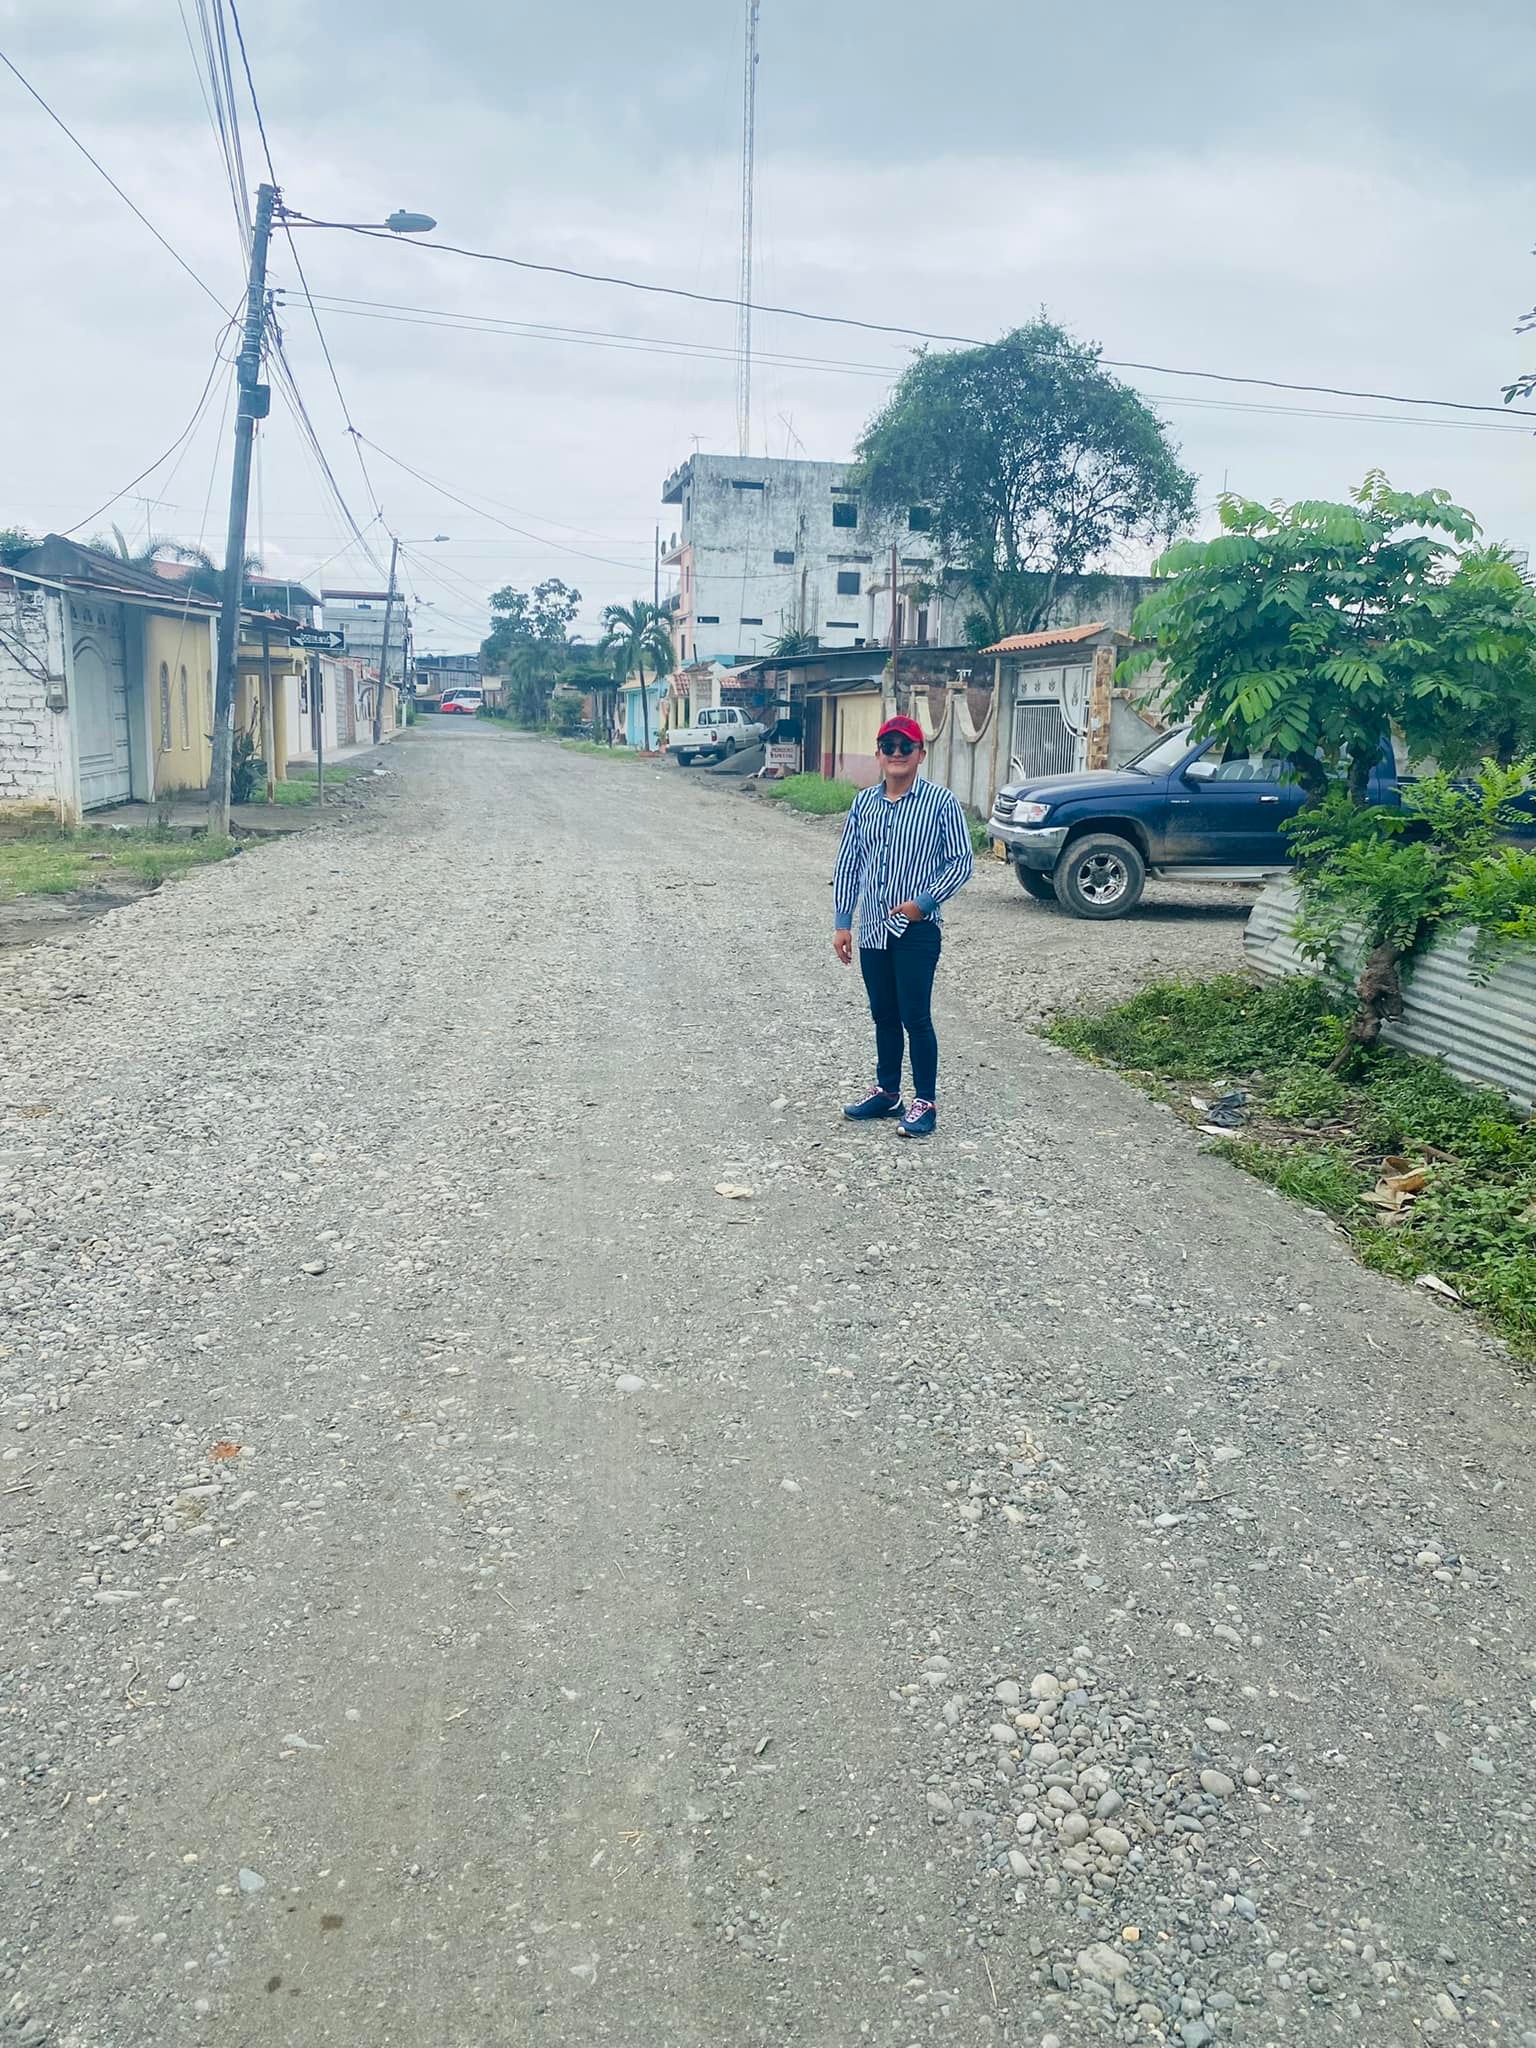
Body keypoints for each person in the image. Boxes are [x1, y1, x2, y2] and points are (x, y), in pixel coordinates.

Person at [832, 715, 974, 1138]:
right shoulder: (863, 804)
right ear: (878, 754)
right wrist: (843, 922)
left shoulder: (941, 803)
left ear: (920, 755)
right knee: (884, 1014)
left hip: (917, 930)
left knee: (915, 1015)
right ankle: (888, 1092)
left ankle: (925, 1101)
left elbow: (961, 862)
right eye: (889, 746)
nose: (897, 753)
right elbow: (849, 863)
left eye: (905, 746)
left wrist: (922, 903)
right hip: (874, 929)